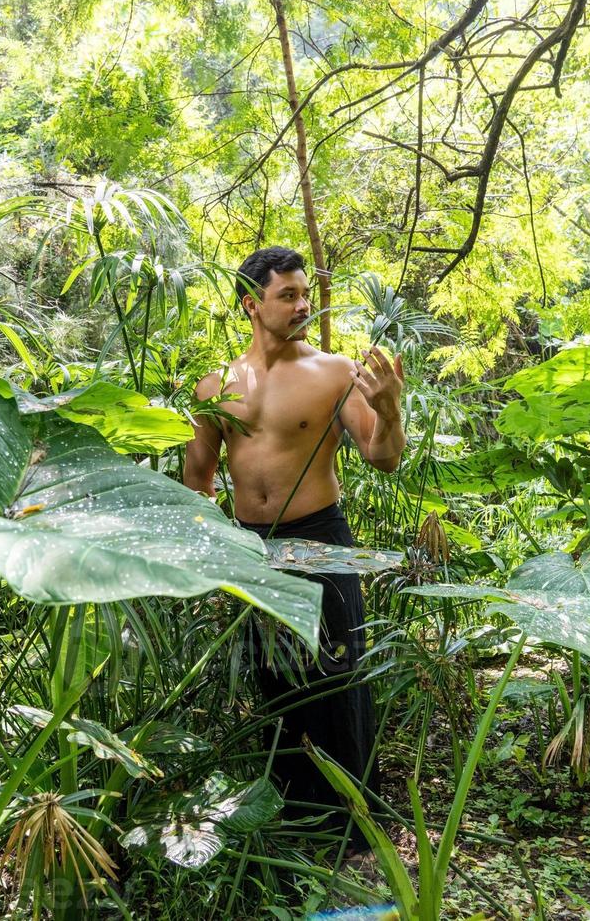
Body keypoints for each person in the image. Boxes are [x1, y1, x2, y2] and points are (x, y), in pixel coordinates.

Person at [183, 246, 405, 849]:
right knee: (273, 681)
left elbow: (383, 458)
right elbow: (197, 484)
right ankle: (290, 817)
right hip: (251, 550)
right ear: (252, 304)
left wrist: (389, 410)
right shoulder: (215, 386)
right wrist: (213, 558)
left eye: (306, 294)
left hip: (319, 541)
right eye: (288, 295)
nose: (303, 305)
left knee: (336, 678)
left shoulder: (334, 373)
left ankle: (351, 828)